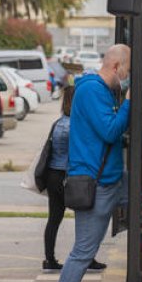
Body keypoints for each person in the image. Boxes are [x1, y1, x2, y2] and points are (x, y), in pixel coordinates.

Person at [44, 44, 131, 282]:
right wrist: (129, 101)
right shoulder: (93, 90)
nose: (127, 76)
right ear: (117, 67)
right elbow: (109, 130)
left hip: (114, 180)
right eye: (127, 70)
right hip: (98, 183)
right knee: (83, 252)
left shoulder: (102, 90)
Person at [42, 86, 106, 272]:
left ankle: (49, 259)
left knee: (54, 218)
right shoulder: (75, 126)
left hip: (53, 176)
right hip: (70, 177)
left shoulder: (58, 123)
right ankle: (88, 257)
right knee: (85, 217)